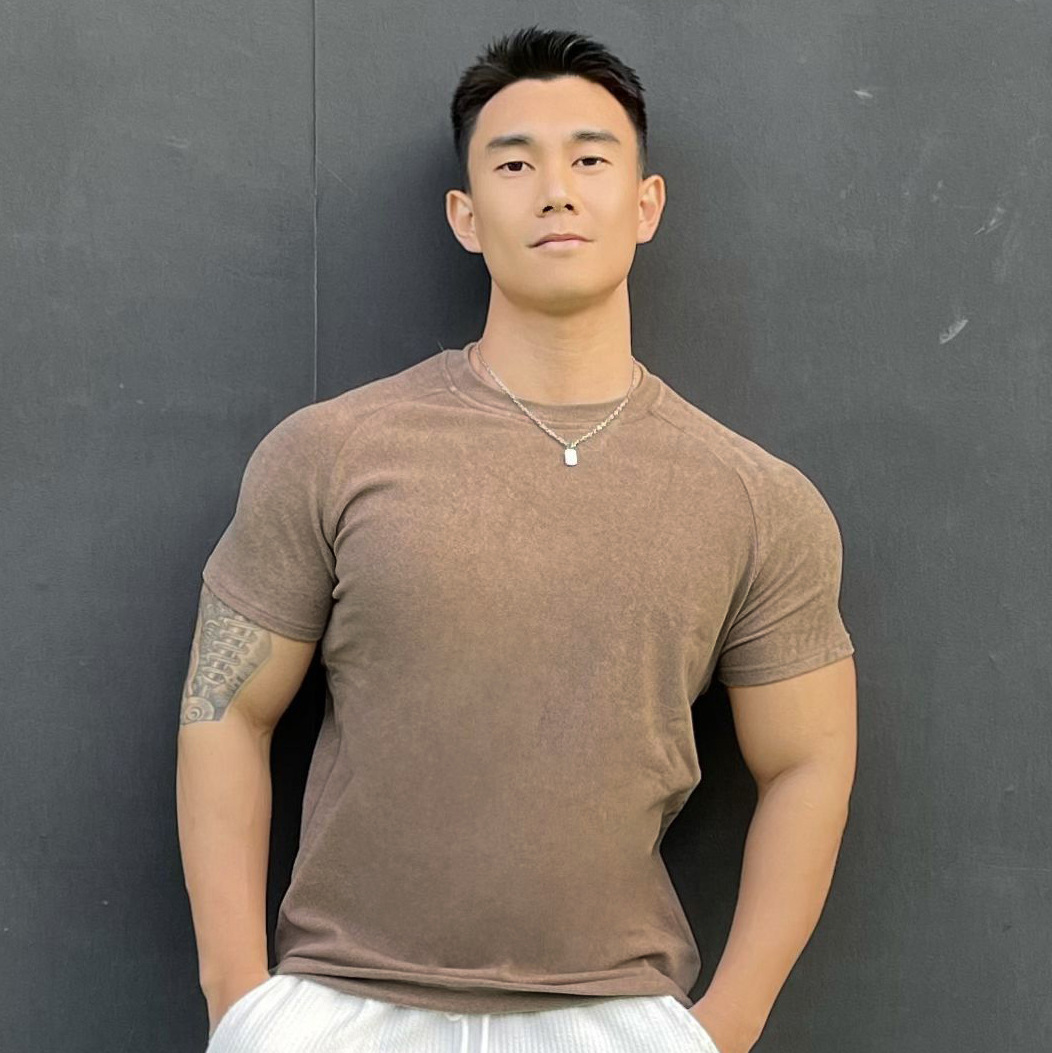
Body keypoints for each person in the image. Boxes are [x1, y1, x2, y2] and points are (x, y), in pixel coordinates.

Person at [176, 23, 857, 1053]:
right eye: (513, 163)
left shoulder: (756, 498)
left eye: (590, 159)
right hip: (342, 1010)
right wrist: (239, 1002)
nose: (555, 191)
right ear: (466, 215)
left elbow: (808, 759)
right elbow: (223, 703)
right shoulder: (330, 452)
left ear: (645, 204)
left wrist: (722, 1028)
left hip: (611, 1018)